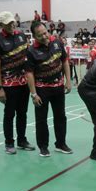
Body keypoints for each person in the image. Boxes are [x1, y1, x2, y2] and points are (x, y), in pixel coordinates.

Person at [25, 21, 73, 157]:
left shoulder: (57, 43)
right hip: (42, 90)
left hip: (58, 87)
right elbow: (29, 73)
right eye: (40, 35)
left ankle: (61, 144)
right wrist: (34, 94)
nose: (44, 37)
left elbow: (64, 61)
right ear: (34, 36)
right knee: (41, 119)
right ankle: (43, 146)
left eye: (45, 33)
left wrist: (68, 81)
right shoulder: (31, 51)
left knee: (60, 117)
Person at [0, 11, 35, 155]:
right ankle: (9, 143)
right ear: (2, 24)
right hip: (9, 85)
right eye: (8, 23)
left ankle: (21, 140)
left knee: (23, 113)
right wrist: (0, 88)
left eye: (13, 22)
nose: (12, 25)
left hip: (24, 83)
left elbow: (28, 57)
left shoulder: (21, 35)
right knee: (9, 114)